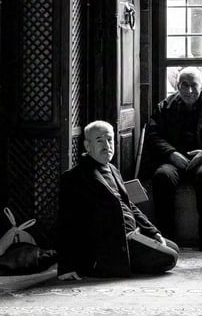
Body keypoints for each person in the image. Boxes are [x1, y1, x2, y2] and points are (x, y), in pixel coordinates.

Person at [57, 120, 179, 280]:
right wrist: (67, 266)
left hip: (133, 232)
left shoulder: (113, 169)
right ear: (87, 146)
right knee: (170, 258)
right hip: (112, 244)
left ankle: (138, 250)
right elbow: (66, 223)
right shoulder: (74, 177)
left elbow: (130, 206)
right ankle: (115, 263)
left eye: (109, 140)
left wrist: (152, 231)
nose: (106, 145)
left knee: (173, 247)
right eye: (99, 140)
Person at [141, 67, 202, 252]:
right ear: (177, 86)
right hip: (176, 160)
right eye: (184, 85)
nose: (189, 90)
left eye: (194, 85)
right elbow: (153, 135)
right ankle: (166, 236)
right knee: (162, 175)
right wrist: (171, 154)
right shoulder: (165, 106)